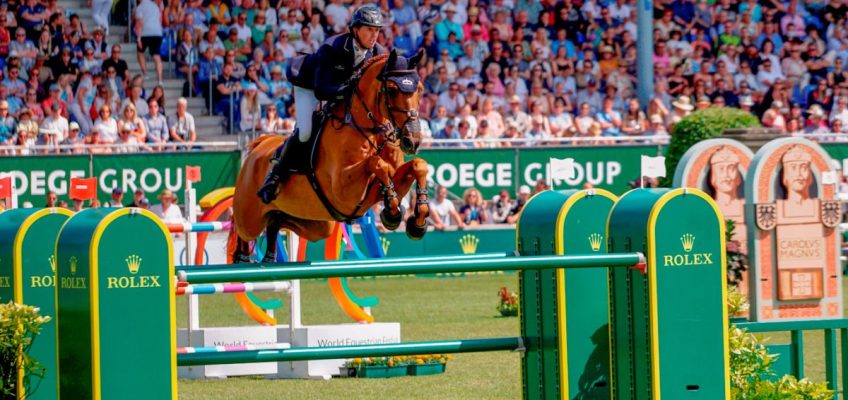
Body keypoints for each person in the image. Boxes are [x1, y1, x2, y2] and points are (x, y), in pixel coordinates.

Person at [256, 5, 388, 204]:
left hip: (340, 91)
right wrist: (349, 90)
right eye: (370, 29)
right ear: (355, 30)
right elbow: (321, 90)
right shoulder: (332, 47)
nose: (374, 35)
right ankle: (274, 176)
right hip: (311, 87)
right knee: (306, 131)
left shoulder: (377, 53)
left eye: (377, 30)